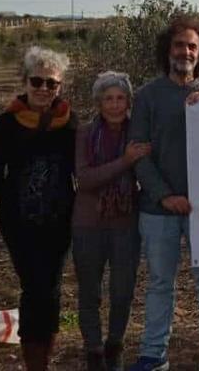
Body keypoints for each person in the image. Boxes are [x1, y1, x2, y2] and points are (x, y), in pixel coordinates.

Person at [128, 17, 199, 371]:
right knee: (160, 282)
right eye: (179, 45)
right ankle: (153, 353)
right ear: (168, 49)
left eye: (192, 46)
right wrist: (164, 196)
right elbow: (138, 153)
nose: (185, 52)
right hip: (158, 209)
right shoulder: (147, 96)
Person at [0, 46, 77, 371]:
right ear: (25, 82)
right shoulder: (7, 123)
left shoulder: (69, 122)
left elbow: (80, 168)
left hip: (59, 221)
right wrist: (17, 200)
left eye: (51, 83)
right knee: (33, 286)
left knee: (51, 287)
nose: (43, 89)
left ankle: (45, 356)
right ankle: (34, 362)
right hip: (19, 222)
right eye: (37, 81)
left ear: (59, 86)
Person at [73, 71, 149, 371]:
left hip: (126, 223)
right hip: (87, 223)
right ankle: (93, 351)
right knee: (90, 291)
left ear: (128, 102)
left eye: (120, 98)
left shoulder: (139, 133)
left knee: (122, 291)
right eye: (108, 99)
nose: (115, 105)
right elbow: (85, 179)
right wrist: (124, 161)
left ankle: (114, 346)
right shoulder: (85, 133)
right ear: (99, 103)